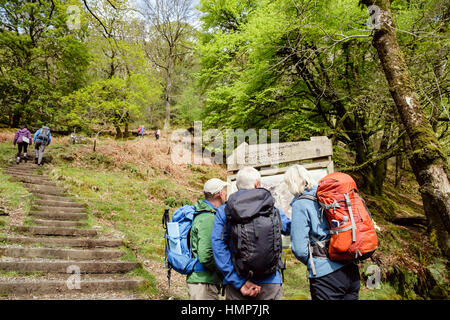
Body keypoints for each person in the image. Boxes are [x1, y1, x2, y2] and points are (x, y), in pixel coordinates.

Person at [211, 166, 291, 300]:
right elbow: (289, 228)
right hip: (270, 282)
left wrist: (238, 282)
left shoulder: (225, 211)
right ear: (257, 184)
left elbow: (218, 246)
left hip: (238, 284)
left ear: (236, 186)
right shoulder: (272, 209)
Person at [283, 164, 360, 300]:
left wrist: (314, 261)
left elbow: (299, 249)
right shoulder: (327, 195)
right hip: (350, 267)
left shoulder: (300, 204)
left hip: (326, 275)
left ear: (291, 184)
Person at [186, 178, 229, 300]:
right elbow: (205, 255)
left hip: (203, 280)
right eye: (224, 191)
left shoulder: (207, 213)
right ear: (220, 194)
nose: (226, 193)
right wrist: (223, 268)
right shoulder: (208, 218)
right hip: (203, 282)